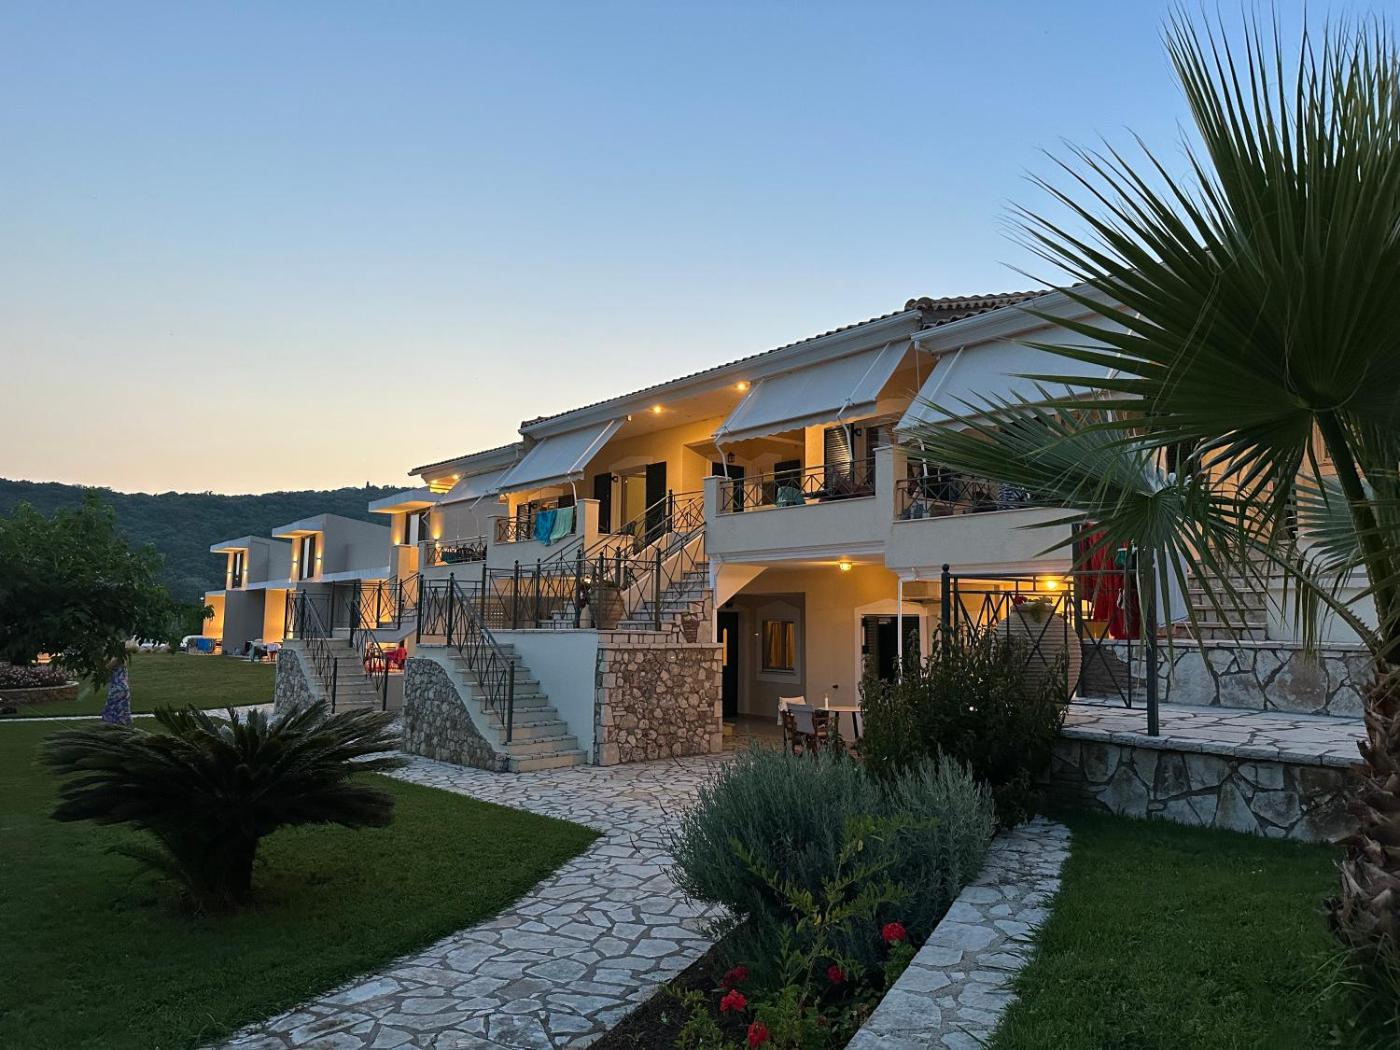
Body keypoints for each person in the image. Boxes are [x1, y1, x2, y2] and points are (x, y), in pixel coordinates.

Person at [100, 656, 131, 726]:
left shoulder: (119, 658)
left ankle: (112, 725)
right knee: (121, 710)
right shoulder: (117, 657)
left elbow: (106, 667)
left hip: (117, 688)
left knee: (111, 709)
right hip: (121, 687)